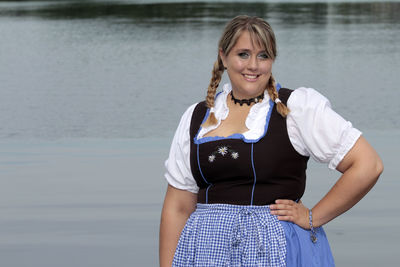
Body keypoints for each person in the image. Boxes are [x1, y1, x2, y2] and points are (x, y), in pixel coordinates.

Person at [159, 15, 383, 266]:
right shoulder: (197, 117)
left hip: (279, 250)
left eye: (263, 55)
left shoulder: (296, 108)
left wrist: (313, 216)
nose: (253, 65)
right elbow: (178, 206)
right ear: (223, 57)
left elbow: (368, 165)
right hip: (204, 253)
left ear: (273, 59)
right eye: (243, 54)